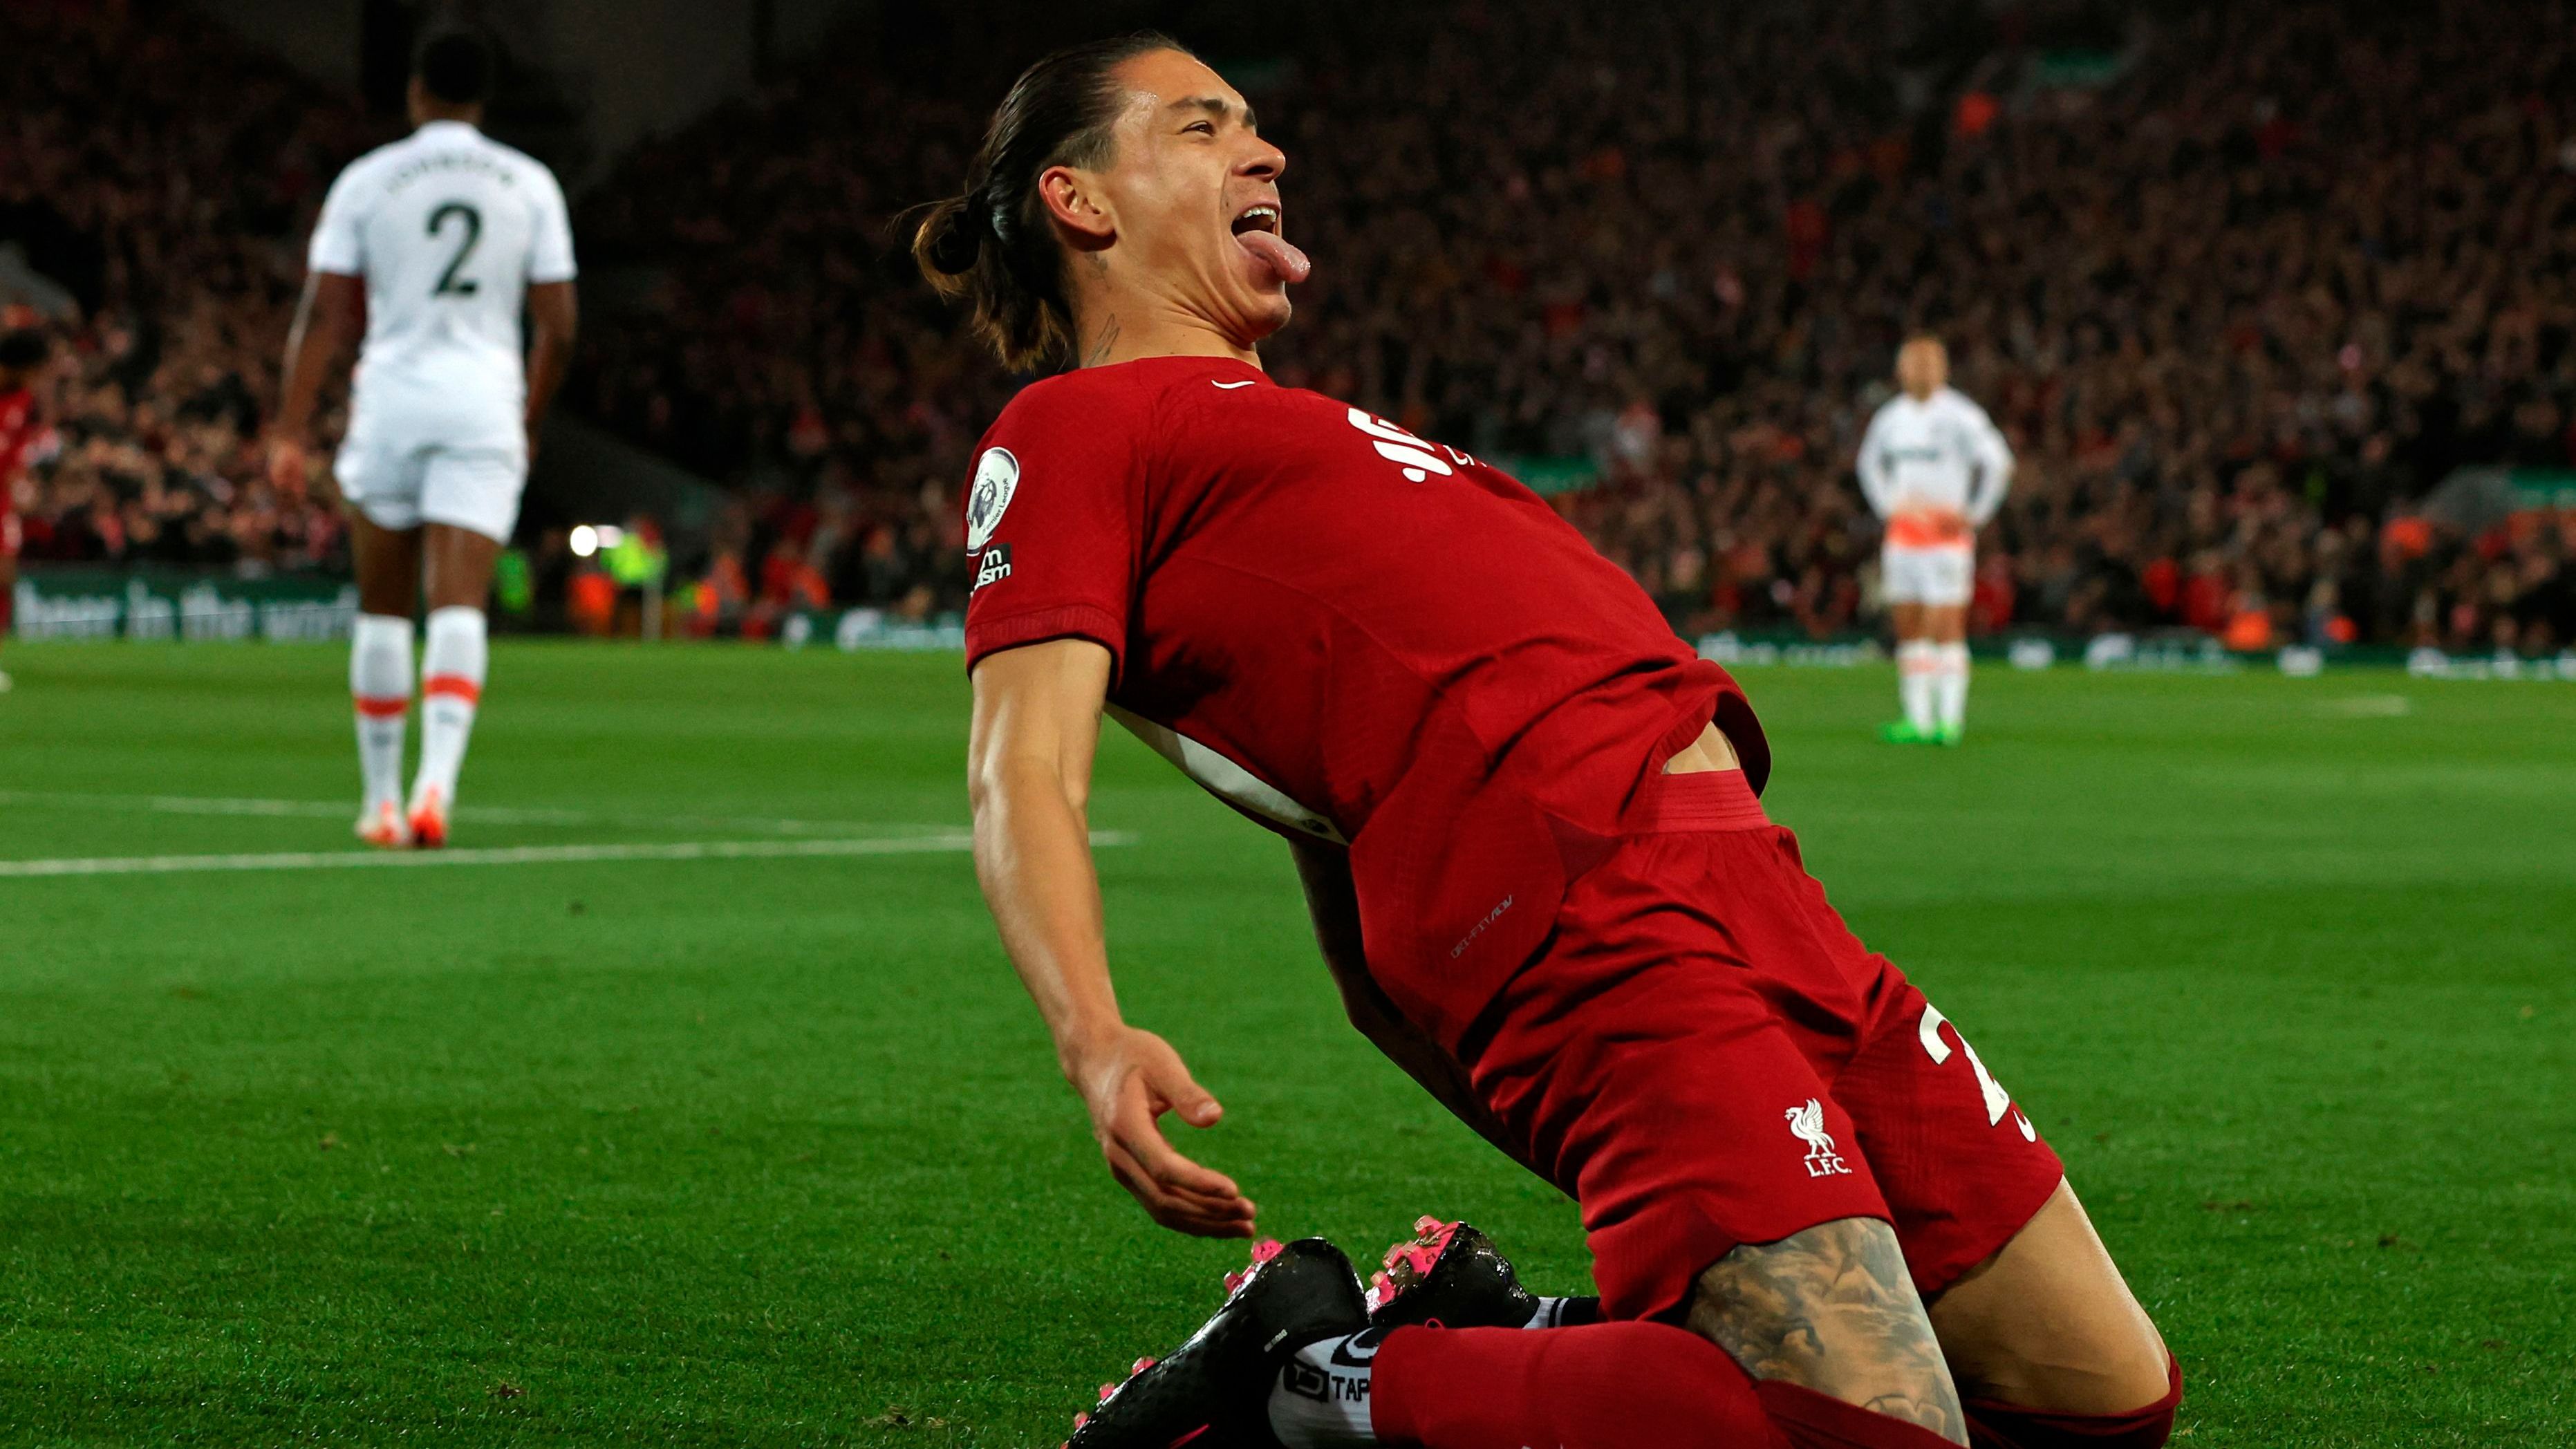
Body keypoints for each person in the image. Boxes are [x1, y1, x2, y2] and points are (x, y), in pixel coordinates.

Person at [920, 34, 2177, 1449]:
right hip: (1596, 906)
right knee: (1859, 1431)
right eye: (1205, 129)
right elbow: (1020, 762)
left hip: (1763, 893)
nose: (1263, 153)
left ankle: (1500, 1338)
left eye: (1256, 127)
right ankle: (1302, 1385)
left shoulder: (1316, 430)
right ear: (1080, 200)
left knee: (2105, 1398)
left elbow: (1341, 815)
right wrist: (1093, 1037)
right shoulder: (1075, 427)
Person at [270, 28, 577, 848]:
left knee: (382, 606)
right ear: (485, 98)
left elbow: (325, 312)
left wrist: (290, 431)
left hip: (394, 400)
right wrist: (527, 420)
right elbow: (561, 326)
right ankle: (434, 788)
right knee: (459, 601)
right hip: (483, 403)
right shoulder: (531, 184)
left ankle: (378, 801)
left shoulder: (368, 181)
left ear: (415, 93)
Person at [1856, 337, 2014, 745]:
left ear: (1941, 370)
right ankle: (1918, 719)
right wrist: (1888, 506)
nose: (1919, 372)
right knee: (1909, 628)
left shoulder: (1960, 415)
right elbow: (1868, 464)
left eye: (1927, 364)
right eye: (1912, 364)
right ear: (1901, 370)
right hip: (1904, 541)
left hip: (1946, 542)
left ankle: (1950, 721)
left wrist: (1975, 514)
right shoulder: (1891, 418)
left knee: (1946, 628)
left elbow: (1998, 462)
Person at [0, 328, 48, 694]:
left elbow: (15, 455)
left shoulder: (23, 399)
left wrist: (22, 487)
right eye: (33, 369)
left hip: (1, 499)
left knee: (5, 576)